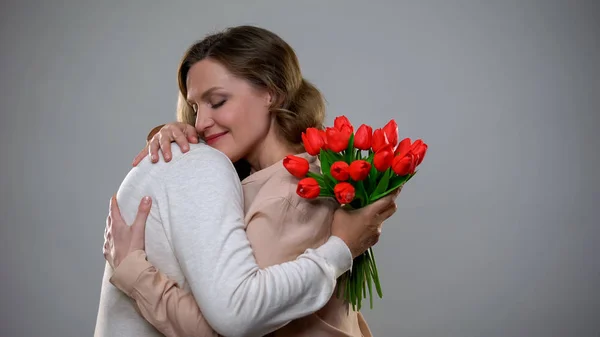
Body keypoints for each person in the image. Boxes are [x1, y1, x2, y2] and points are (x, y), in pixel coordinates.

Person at [96, 25, 400, 337]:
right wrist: (173, 138)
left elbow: (224, 329)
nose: (200, 122)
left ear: (271, 92)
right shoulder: (265, 176)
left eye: (217, 101)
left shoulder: (291, 194)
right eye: (196, 107)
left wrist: (133, 271)